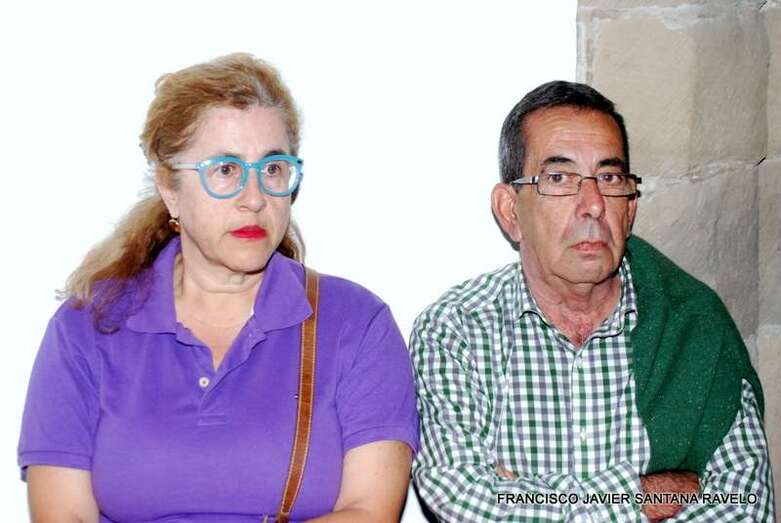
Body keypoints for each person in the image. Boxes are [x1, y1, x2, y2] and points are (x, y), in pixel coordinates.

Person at [18, 53, 418, 523]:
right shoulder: (89, 326)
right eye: (225, 170)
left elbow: (370, 512)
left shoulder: (354, 322)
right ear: (170, 189)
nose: (255, 198)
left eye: (273, 169)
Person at [410, 80, 774, 522]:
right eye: (559, 178)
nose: (593, 205)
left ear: (630, 207)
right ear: (510, 211)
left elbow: (745, 507)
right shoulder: (458, 330)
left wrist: (523, 496)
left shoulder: (693, 327)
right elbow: (461, 498)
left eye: (609, 178)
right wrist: (644, 494)